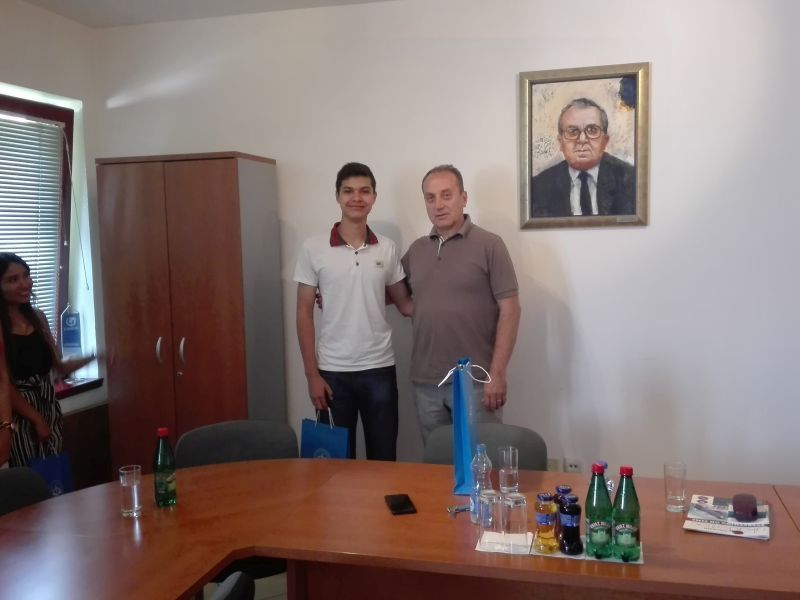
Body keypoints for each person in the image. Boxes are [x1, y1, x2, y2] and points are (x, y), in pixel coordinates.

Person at [294, 162, 412, 461]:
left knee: (383, 461)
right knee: (334, 467)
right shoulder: (313, 248)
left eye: (364, 191)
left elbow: (404, 304)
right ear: (337, 196)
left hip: (379, 369)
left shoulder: (387, 248)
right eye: (348, 191)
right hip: (332, 372)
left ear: (374, 197)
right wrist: (311, 375)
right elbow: (303, 313)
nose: (356, 198)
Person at [401, 165, 521, 443]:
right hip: (426, 383)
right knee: (437, 461)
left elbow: (511, 310)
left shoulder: (490, 245)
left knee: (480, 462)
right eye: (430, 198)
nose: (438, 205)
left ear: (463, 198)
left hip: (475, 382)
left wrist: (497, 374)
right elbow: (389, 292)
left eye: (446, 195)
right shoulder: (417, 250)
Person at [0, 252, 96, 467]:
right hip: (17, 415)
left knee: (53, 476)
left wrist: (95, 356)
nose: (25, 283)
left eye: (26, 275)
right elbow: (4, 384)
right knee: (27, 477)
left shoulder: (38, 317)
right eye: (13, 279)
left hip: (48, 407)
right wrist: (36, 419)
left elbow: (58, 367)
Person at [531, 97, 635, 218]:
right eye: (573, 131)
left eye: (592, 130)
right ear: (560, 142)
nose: (582, 139)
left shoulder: (630, 179)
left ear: (605, 141)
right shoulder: (538, 187)